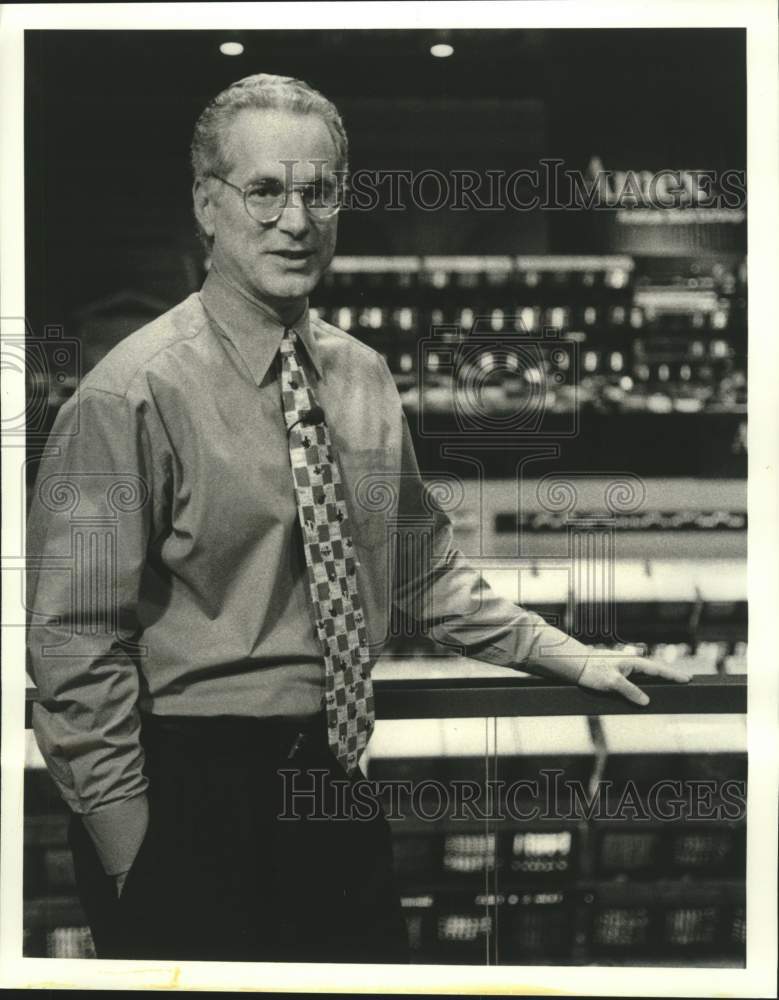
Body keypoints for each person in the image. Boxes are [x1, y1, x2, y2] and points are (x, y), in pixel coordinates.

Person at [26, 72, 690, 963]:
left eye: (319, 191)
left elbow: (418, 566)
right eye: (263, 191)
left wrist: (572, 656)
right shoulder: (129, 394)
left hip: (337, 781)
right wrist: (127, 841)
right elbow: (73, 639)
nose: (295, 221)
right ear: (207, 206)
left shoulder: (363, 376)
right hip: (186, 792)